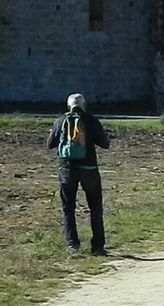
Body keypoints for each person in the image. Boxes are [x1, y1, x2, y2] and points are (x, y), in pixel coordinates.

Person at [46, 93, 110, 255]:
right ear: (84, 105)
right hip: (89, 170)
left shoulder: (60, 121)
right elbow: (105, 144)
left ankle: (72, 245)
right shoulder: (91, 120)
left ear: (68, 106)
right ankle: (97, 246)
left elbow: (50, 144)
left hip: (67, 170)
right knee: (95, 208)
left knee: (68, 208)